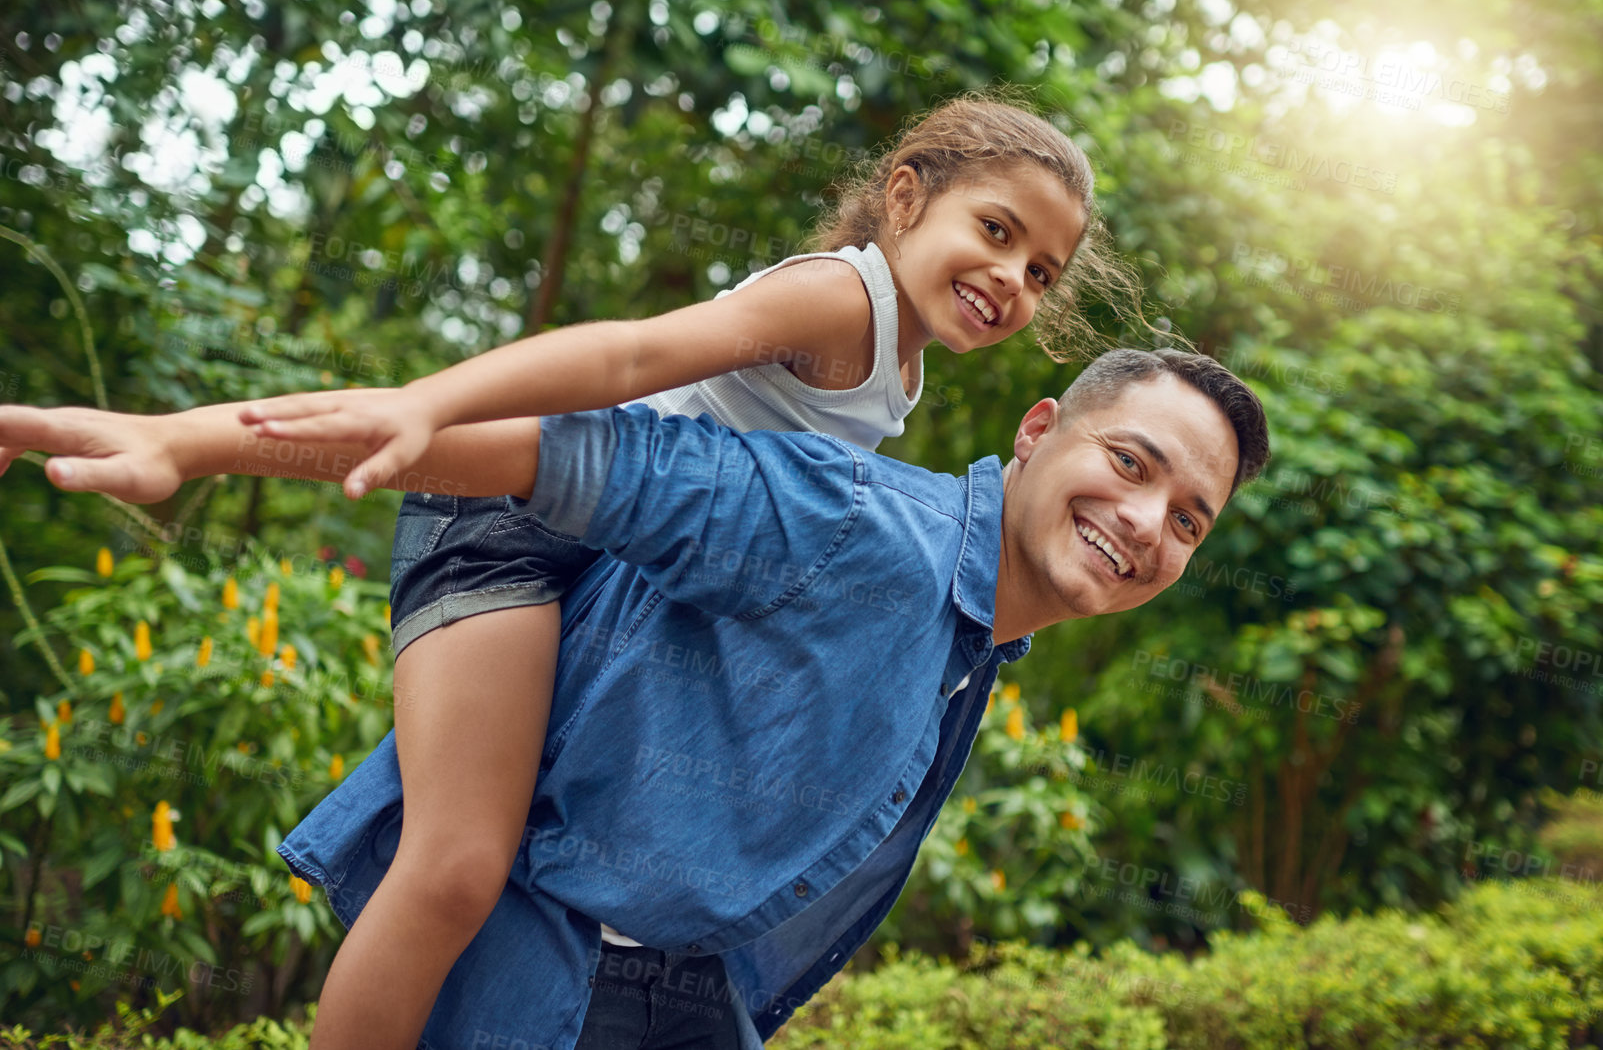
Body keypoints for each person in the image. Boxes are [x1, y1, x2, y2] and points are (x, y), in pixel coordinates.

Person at [111, 93, 1134, 1050]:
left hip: (611, 561)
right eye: (997, 232)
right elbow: (631, 360)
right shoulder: (840, 299)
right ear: (906, 196)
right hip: (510, 520)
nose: (1013, 278)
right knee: (458, 866)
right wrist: (429, 405)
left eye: (1042, 271)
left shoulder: (897, 374)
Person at [0, 346, 1269, 1049]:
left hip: (684, 997)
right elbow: (545, 451)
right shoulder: (856, 523)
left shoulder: (974, 627)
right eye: (1130, 460)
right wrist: (184, 442)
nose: (1143, 518)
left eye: (1186, 516)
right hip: (546, 980)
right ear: (1037, 430)